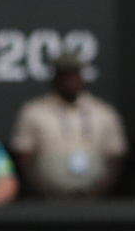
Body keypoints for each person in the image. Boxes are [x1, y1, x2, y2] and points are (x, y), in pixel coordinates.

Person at [11, 50, 127, 199]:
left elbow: (116, 156)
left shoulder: (104, 112)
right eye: (64, 75)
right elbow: (24, 159)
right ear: (54, 78)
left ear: (82, 76)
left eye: (73, 75)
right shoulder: (33, 112)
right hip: (47, 200)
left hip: (95, 201)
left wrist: (97, 193)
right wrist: (45, 194)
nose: (69, 81)